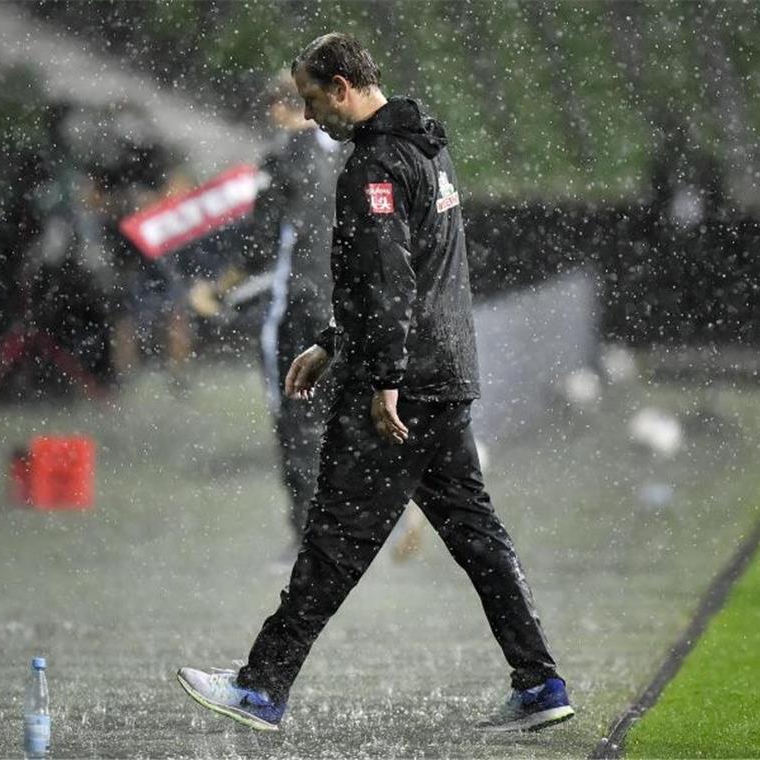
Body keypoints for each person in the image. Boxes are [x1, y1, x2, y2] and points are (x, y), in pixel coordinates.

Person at [177, 32, 573, 733]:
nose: (309, 117)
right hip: (445, 372)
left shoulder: (376, 166)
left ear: (340, 88)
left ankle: (261, 688)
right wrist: (332, 340)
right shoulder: (427, 142)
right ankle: (541, 683)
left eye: (310, 101)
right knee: (478, 537)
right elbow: (408, 269)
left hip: (402, 383)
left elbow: (391, 280)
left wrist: (381, 377)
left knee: (335, 537)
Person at [242, 72, 342, 557]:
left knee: (296, 418)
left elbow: (260, 246)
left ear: (284, 109)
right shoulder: (350, 154)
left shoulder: (280, 162)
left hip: (298, 308)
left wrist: (219, 291)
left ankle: (306, 532)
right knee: (344, 415)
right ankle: (356, 524)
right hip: (349, 306)